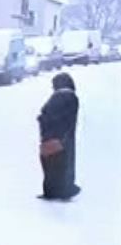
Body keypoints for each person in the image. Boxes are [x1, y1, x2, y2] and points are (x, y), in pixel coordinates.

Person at [37, 72, 81, 200]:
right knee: (65, 163)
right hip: (64, 137)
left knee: (52, 165)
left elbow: (47, 115)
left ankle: (53, 191)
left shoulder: (58, 97)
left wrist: (43, 122)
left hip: (52, 137)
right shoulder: (71, 96)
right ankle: (65, 188)